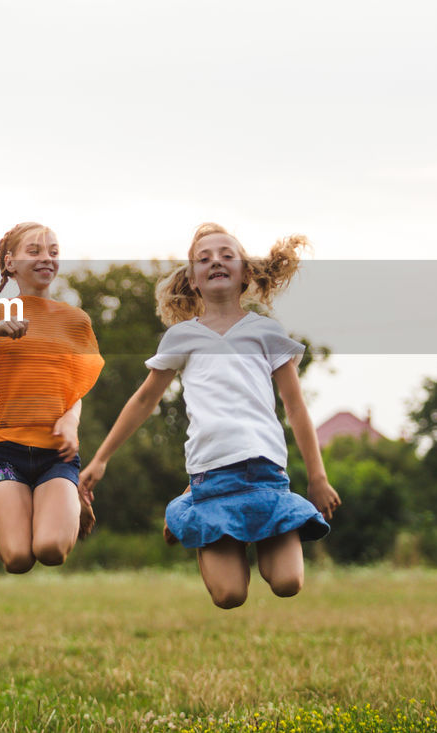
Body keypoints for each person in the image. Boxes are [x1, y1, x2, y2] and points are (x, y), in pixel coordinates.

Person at [79, 223, 339, 609]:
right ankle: (187, 508)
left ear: (246, 273)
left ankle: (192, 509)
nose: (215, 261)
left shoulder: (266, 332)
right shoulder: (182, 336)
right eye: (204, 259)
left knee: (288, 583)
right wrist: (101, 459)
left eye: (226, 255)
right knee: (230, 595)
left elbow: (295, 406)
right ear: (193, 281)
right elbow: (144, 399)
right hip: (211, 480)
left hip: (266, 479)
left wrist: (317, 478)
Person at [0, 222, 103, 573]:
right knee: (17, 560)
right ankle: (5, 500)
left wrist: (70, 420)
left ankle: (68, 497)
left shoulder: (75, 321)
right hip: (6, 452)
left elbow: (74, 390)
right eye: (34, 251)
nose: (46, 257)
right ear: (10, 263)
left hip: (56, 454)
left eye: (53, 251)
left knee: (50, 550)